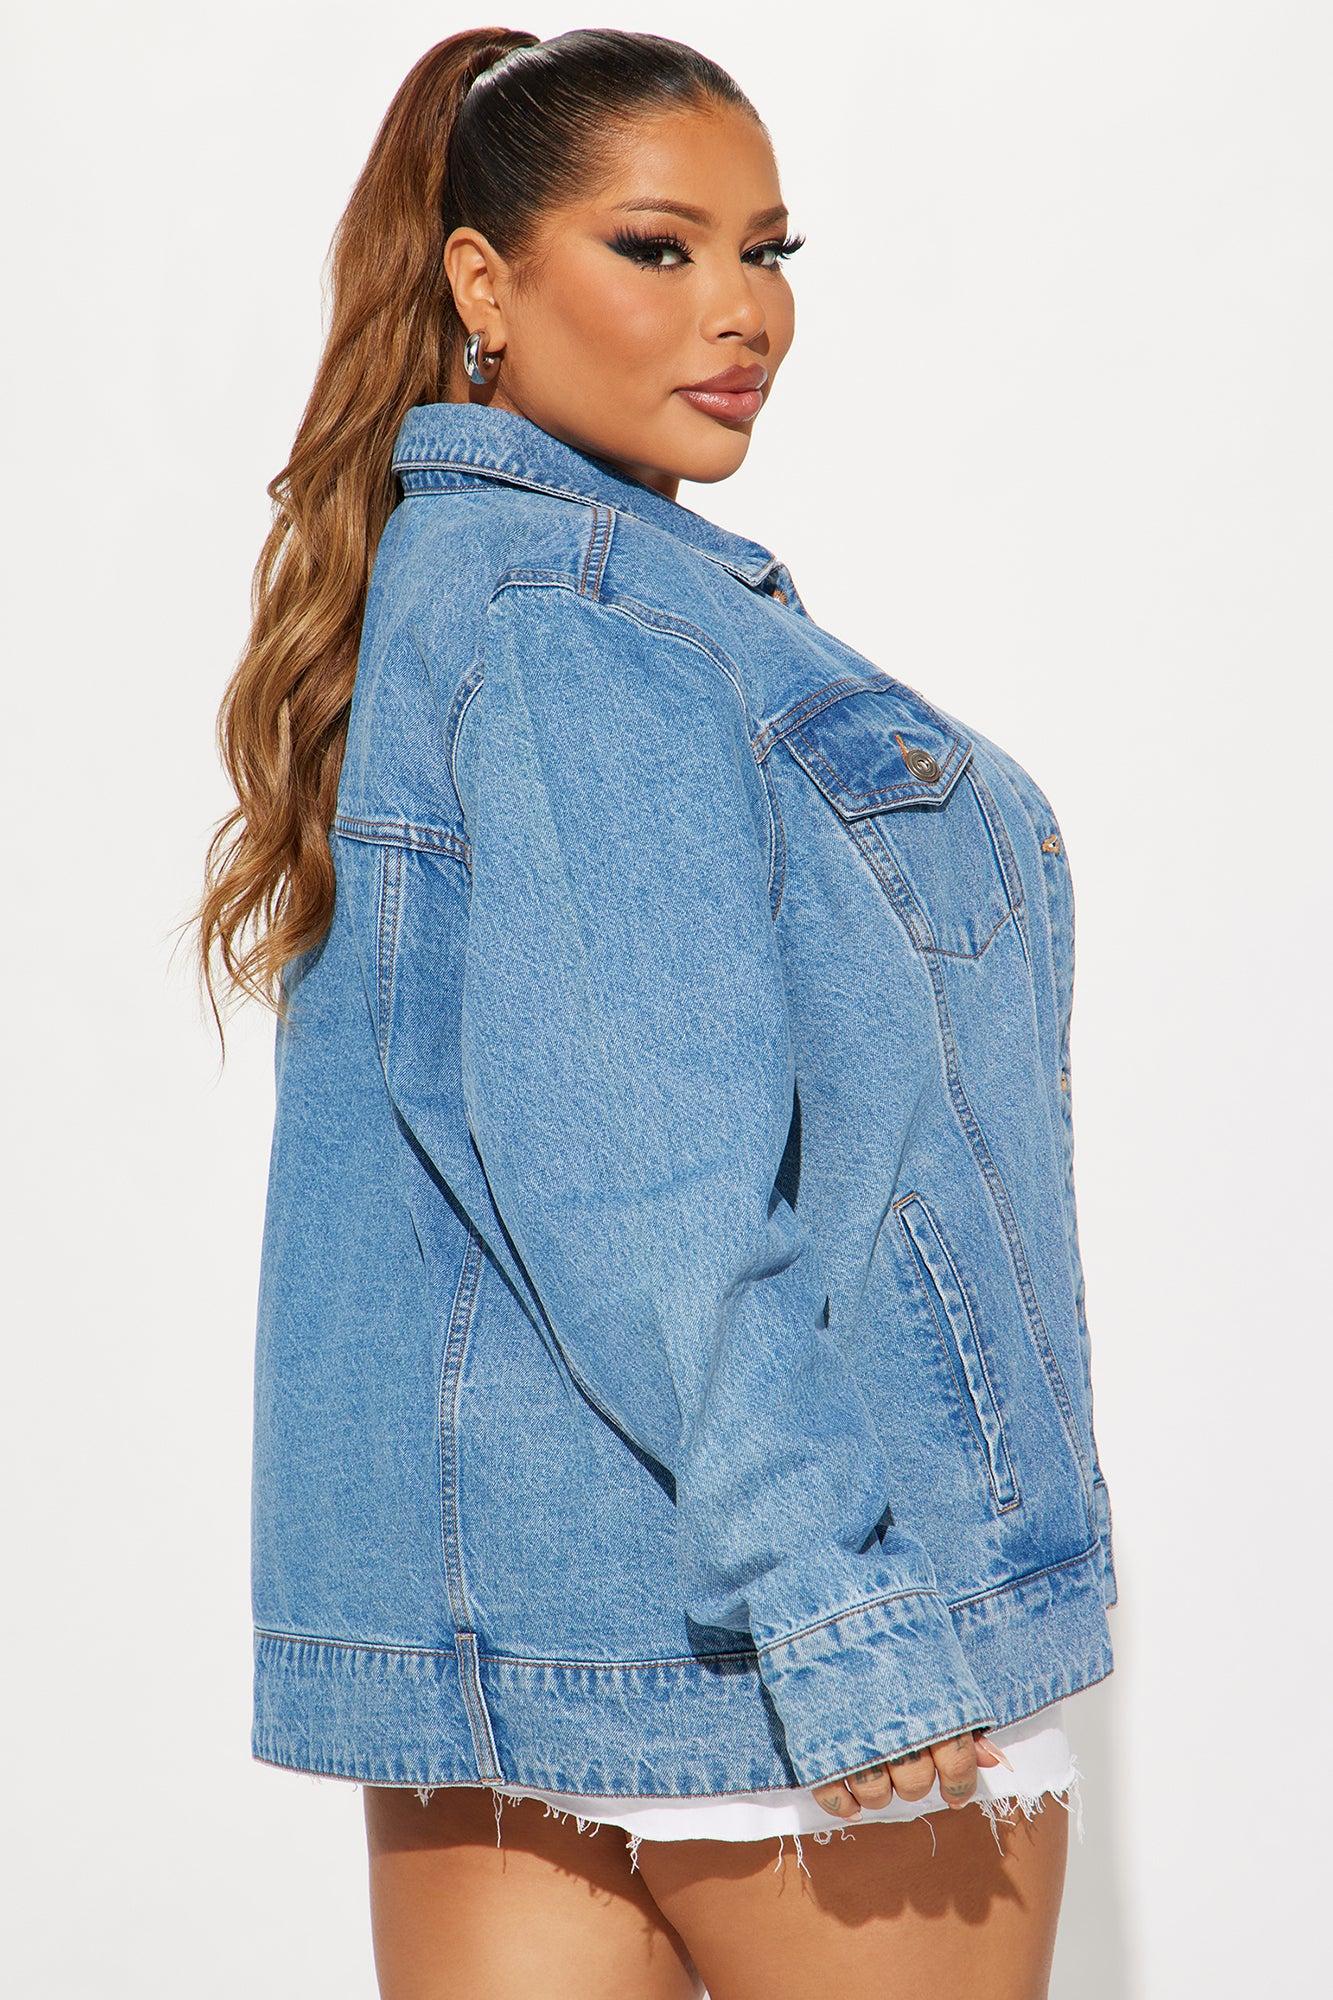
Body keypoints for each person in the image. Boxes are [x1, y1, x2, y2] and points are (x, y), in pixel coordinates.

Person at [195, 27, 1117, 1999]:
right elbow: (648, 1184)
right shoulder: (585, 620)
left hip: (504, 1632)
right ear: (481, 281)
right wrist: (835, 1607)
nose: (741, 312)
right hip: (769, 1633)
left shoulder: (468, 592)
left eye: (767, 251)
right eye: (657, 246)